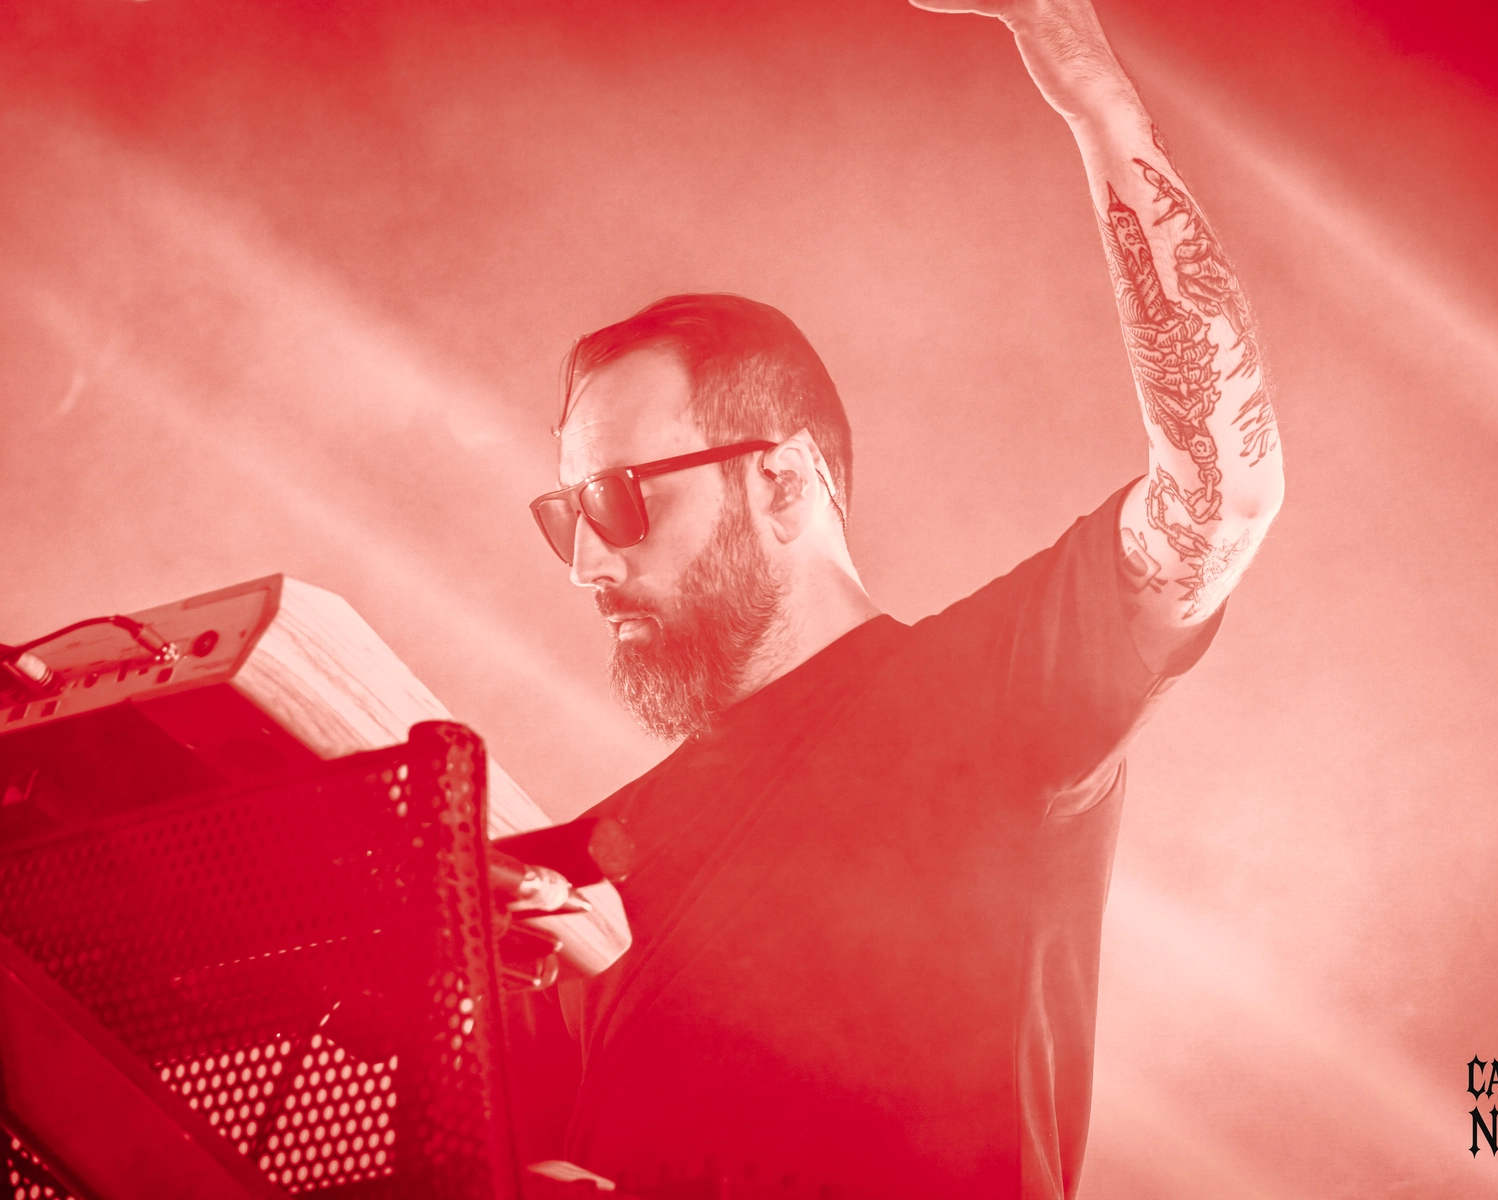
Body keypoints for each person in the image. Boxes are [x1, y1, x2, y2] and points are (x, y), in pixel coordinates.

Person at [514, 1, 1284, 1196]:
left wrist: (1089, 89)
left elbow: (1220, 491)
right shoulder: (578, 875)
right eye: (566, 515)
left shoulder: (978, 702)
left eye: (617, 501)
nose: (586, 565)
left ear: (782, 482)